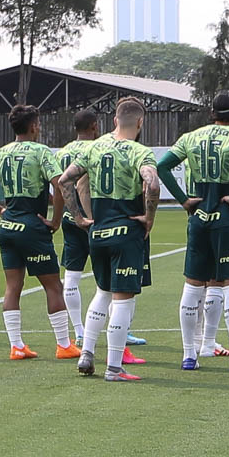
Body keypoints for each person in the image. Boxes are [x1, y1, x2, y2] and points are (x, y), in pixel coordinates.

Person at [157, 90, 229, 373]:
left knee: (192, 285)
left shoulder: (191, 137)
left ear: (212, 113)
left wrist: (183, 200)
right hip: (225, 217)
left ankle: (189, 355)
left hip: (199, 215)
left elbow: (163, 166)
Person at [59, 97, 161, 381]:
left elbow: (64, 181)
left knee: (102, 293)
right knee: (122, 300)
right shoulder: (140, 151)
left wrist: (79, 218)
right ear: (140, 123)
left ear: (115, 120)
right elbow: (152, 182)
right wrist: (149, 218)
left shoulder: (93, 147)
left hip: (97, 233)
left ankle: (86, 352)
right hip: (125, 233)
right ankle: (114, 367)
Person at [0, 105, 77, 360]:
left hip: (8, 228)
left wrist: (0, 211)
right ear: (34, 126)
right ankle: (63, 345)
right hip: (32, 227)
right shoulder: (41, 153)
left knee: (12, 286)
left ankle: (16, 346)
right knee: (53, 286)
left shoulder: (0, 153)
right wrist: (56, 220)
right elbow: (60, 185)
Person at [55, 110, 102, 346]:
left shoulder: (62, 152)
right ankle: (116, 326)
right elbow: (84, 185)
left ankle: (79, 330)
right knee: (107, 277)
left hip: (68, 217)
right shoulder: (97, 149)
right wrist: (89, 216)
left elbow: (58, 186)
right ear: (94, 126)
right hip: (93, 219)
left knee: (71, 275)